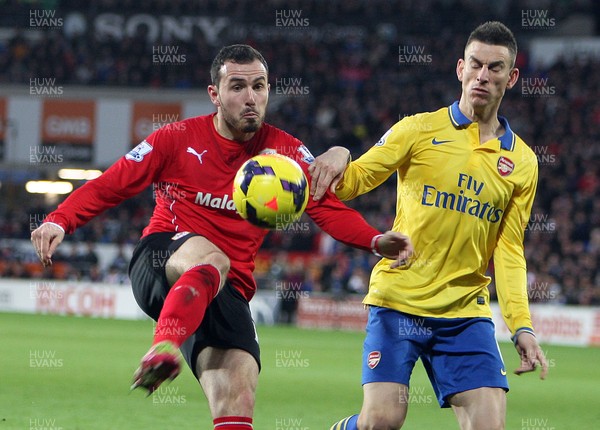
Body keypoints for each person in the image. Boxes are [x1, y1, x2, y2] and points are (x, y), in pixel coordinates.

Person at [30, 44, 412, 430]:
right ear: (214, 94)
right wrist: (60, 220)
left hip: (226, 292)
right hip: (162, 263)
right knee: (212, 258)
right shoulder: (175, 139)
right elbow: (111, 184)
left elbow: (327, 209)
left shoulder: (284, 153)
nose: (251, 98)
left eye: (259, 86)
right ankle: (162, 346)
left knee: (239, 393)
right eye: (237, 87)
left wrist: (375, 241)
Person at [309, 22, 548, 430]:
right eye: (475, 64)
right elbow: (352, 182)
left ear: (512, 78)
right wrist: (339, 151)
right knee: (381, 421)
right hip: (399, 300)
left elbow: (508, 251)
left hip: (465, 312)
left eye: (495, 68)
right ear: (460, 68)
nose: (482, 76)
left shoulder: (523, 162)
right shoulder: (418, 129)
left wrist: (521, 326)